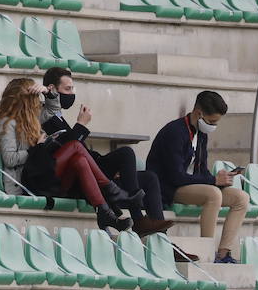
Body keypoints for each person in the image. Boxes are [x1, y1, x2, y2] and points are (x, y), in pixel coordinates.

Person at [0, 77, 139, 231]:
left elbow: (53, 110)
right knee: (75, 146)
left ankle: (103, 212)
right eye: (34, 97)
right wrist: (37, 149)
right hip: (28, 183)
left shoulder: (30, 119)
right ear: (25, 99)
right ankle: (111, 190)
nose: (37, 101)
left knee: (79, 160)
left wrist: (48, 93)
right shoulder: (7, 123)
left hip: (42, 175)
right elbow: (9, 159)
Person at [40, 67, 172, 237]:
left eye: (73, 88)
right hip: (77, 178)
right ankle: (137, 218)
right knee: (125, 154)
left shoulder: (58, 115)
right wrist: (81, 125)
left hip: (93, 169)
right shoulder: (44, 116)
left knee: (148, 177)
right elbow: (66, 148)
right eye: (67, 89)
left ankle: (161, 238)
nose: (72, 93)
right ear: (51, 89)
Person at [145, 91, 249, 264]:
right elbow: (176, 177)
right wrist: (213, 182)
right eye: (212, 121)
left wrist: (220, 180)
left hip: (190, 185)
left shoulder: (201, 134)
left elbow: (202, 172)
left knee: (241, 198)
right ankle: (207, 251)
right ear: (199, 113)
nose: (214, 126)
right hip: (168, 188)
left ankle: (223, 254)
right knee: (212, 194)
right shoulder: (175, 132)